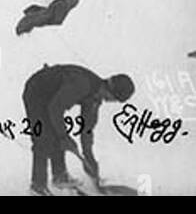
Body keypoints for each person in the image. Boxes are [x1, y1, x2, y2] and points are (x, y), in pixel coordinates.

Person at [21, 66, 134, 195]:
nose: (110, 101)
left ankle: (60, 175)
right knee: (44, 138)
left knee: (57, 131)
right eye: (113, 98)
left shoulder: (95, 99)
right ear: (109, 88)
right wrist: (64, 137)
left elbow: (87, 130)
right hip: (37, 90)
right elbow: (55, 109)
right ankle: (38, 186)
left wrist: (89, 158)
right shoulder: (82, 85)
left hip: (52, 99)